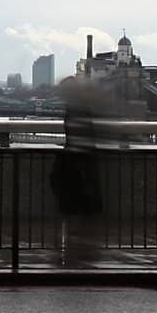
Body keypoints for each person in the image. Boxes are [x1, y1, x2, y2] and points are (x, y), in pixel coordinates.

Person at [50, 99, 104, 267]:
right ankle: (81, 249)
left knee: (73, 209)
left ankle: (74, 248)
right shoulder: (82, 110)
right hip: (82, 166)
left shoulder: (75, 111)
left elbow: (76, 138)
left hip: (76, 166)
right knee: (83, 211)